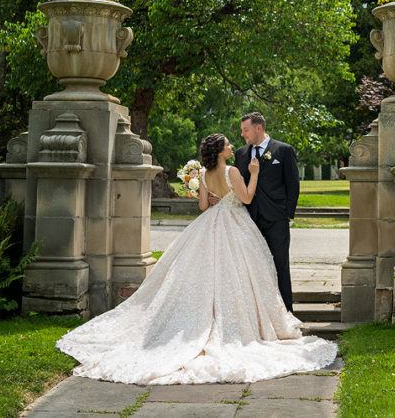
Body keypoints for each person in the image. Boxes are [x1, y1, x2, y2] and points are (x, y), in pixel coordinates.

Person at [56, 133, 336, 385]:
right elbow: (248, 199)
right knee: (241, 273)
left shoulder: (203, 175)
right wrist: (255, 173)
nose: (231, 146)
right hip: (236, 224)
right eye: (227, 143)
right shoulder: (234, 171)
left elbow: (203, 206)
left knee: (204, 272)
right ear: (220, 150)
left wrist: (214, 198)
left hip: (211, 223)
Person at [223, 112, 300, 312]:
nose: (242, 134)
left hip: (276, 219)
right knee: (252, 267)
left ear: (259, 128)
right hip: (248, 218)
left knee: (280, 264)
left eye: (245, 130)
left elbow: (293, 184)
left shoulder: (283, 150)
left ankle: (286, 312)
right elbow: (235, 184)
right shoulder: (240, 154)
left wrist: (287, 213)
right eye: (242, 131)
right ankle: (257, 313)